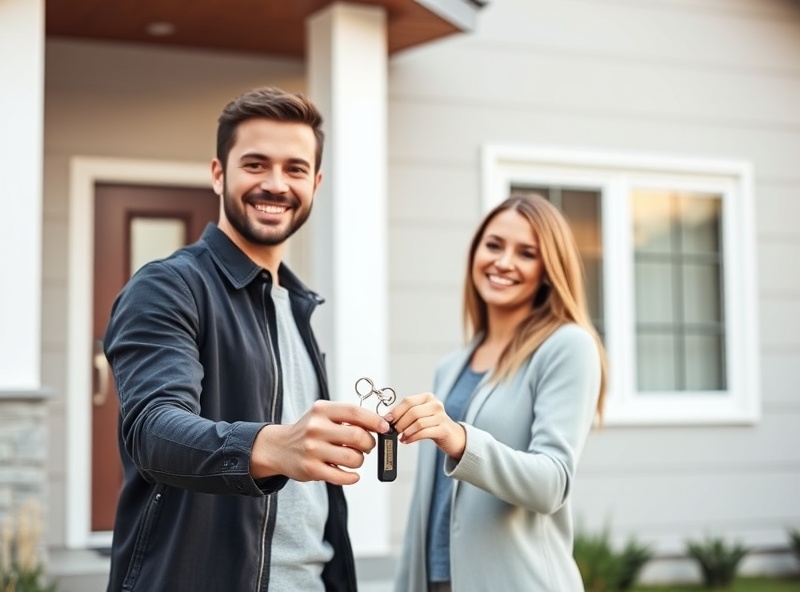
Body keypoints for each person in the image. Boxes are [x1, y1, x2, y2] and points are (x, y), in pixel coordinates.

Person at [103, 86, 391, 592]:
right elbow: (153, 429)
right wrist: (272, 445)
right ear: (219, 173)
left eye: (295, 169)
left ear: (316, 183)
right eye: (255, 165)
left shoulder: (296, 305)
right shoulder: (168, 286)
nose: (276, 184)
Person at [389, 194, 607, 592]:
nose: (503, 262)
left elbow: (552, 483)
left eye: (526, 253)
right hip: (439, 580)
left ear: (547, 270)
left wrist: (460, 439)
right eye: (493, 245)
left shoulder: (567, 347)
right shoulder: (451, 366)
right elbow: (428, 500)